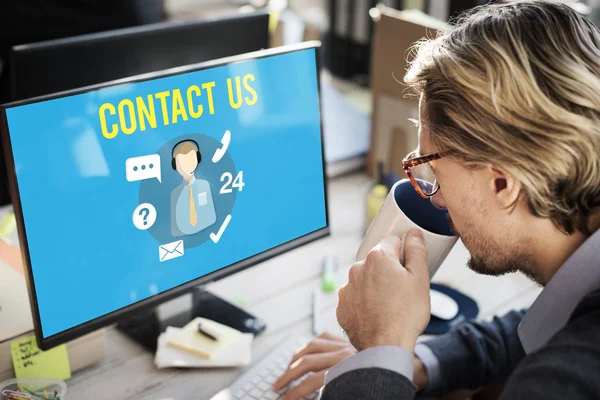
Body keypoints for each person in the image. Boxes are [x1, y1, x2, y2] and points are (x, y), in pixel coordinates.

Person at [273, 1, 600, 399]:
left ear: (503, 184)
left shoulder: (566, 382)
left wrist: (380, 347)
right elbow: (539, 327)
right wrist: (410, 362)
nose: (437, 200)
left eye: (433, 171)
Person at [170, 140, 216, 237]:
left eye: (191, 160)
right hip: (184, 237)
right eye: (182, 162)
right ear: (175, 166)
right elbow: (175, 229)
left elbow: (211, 217)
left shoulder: (204, 185)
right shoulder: (175, 193)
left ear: (198, 159)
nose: (187, 166)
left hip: (207, 232)